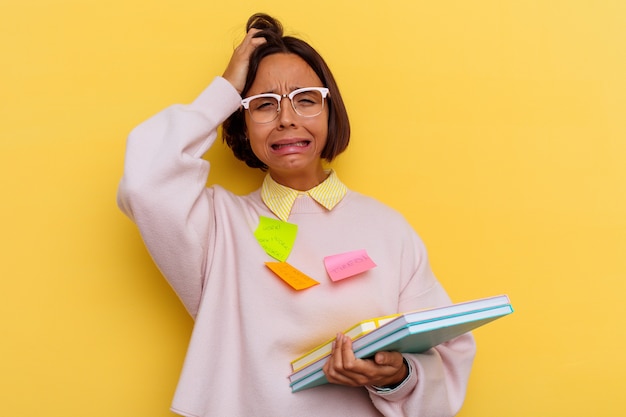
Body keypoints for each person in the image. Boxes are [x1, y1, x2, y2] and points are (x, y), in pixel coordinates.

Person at [117, 13, 476, 417]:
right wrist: (224, 91)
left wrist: (396, 375)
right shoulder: (218, 226)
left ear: (329, 110)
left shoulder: (389, 229)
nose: (286, 118)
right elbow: (144, 183)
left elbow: (446, 356)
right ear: (242, 121)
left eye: (305, 99)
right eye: (263, 104)